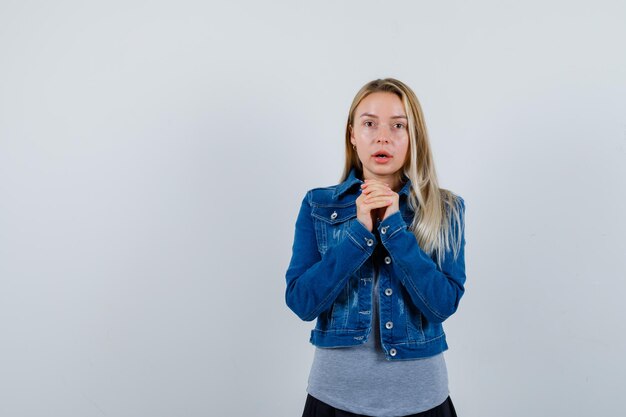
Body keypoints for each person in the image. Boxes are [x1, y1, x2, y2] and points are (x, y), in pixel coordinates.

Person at [285, 78, 466, 417]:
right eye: (369, 123)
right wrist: (359, 232)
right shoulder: (318, 205)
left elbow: (442, 305)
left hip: (422, 399)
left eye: (399, 125)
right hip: (334, 398)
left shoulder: (447, 208)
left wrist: (396, 231)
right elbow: (301, 302)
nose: (383, 136)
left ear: (414, 137)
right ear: (352, 134)